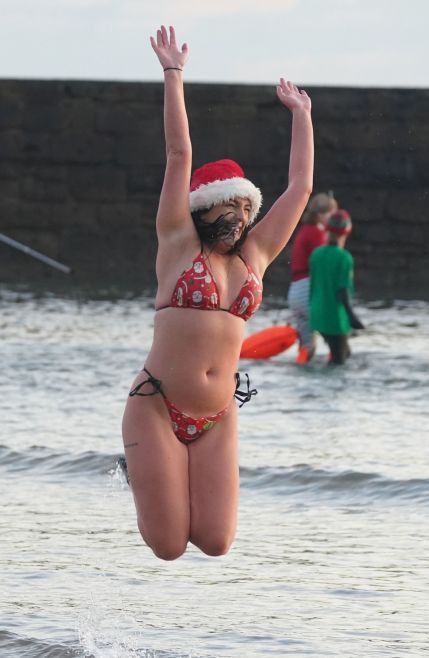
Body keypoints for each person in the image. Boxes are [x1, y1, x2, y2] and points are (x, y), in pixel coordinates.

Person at [121, 25, 314, 560]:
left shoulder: (255, 258)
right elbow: (178, 152)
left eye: (246, 212)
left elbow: (299, 189)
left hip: (218, 414)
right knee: (167, 547)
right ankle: (140, 466)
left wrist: (302, 117)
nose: (240, 221)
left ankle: (153, 470)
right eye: (228, 212)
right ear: (202, 210)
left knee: (214, 542)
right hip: (157, 404)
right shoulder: (178, 243)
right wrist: (173, 73)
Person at [287, 192, 337, 364]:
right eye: (331, 213)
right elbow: (323, 266)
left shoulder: (305, 231)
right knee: (335, 342)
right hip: (308, 290)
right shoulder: (317, 233)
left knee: (307, 348)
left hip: (295, 292)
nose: (333, 217)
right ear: (320, 214)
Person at [308, 210, 363, 364]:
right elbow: (342, 290)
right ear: (347, 231)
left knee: (343, 353)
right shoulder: (344, 258)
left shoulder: (316, 254)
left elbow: (312, 286)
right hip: (335, 318)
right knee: (340, 361)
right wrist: (352, 317)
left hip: (317, 314)